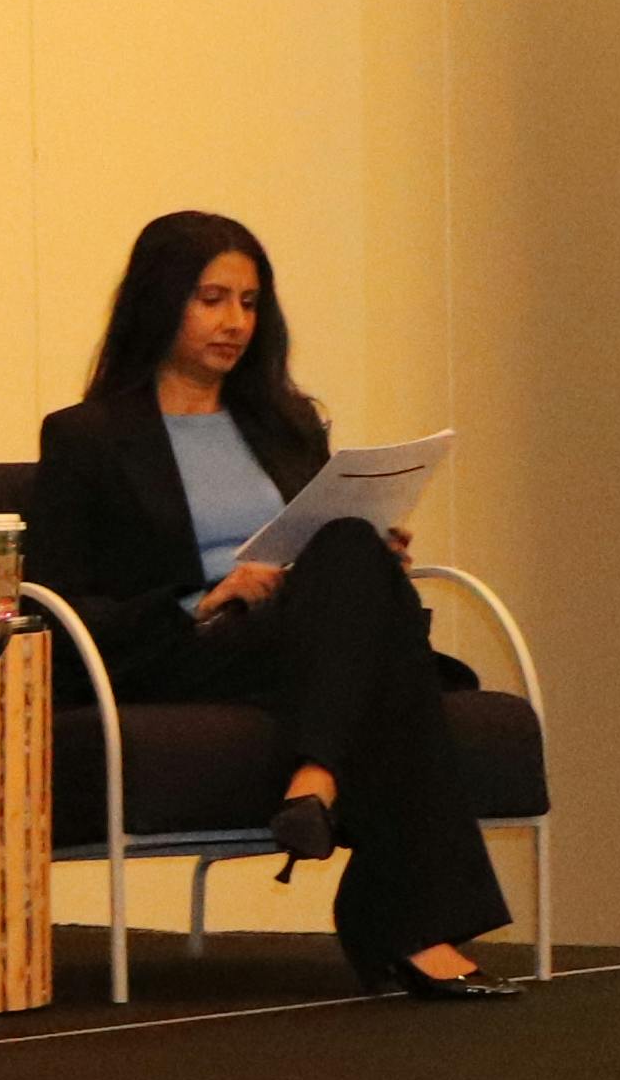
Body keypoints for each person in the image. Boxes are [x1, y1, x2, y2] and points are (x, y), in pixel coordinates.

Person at [25, 211, 515, 999]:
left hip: (299, 637)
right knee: (378, 634)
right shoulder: (87, 438)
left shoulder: (286, 424)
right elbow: (57, 603)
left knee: (355, 551)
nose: (234, 323)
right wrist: (204, 598)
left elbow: (322, 539)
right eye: (212, 299)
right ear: (161, 302)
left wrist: (364, 554)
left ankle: (319, 778)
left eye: (250, 303)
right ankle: (403, 912)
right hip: (189, 640)